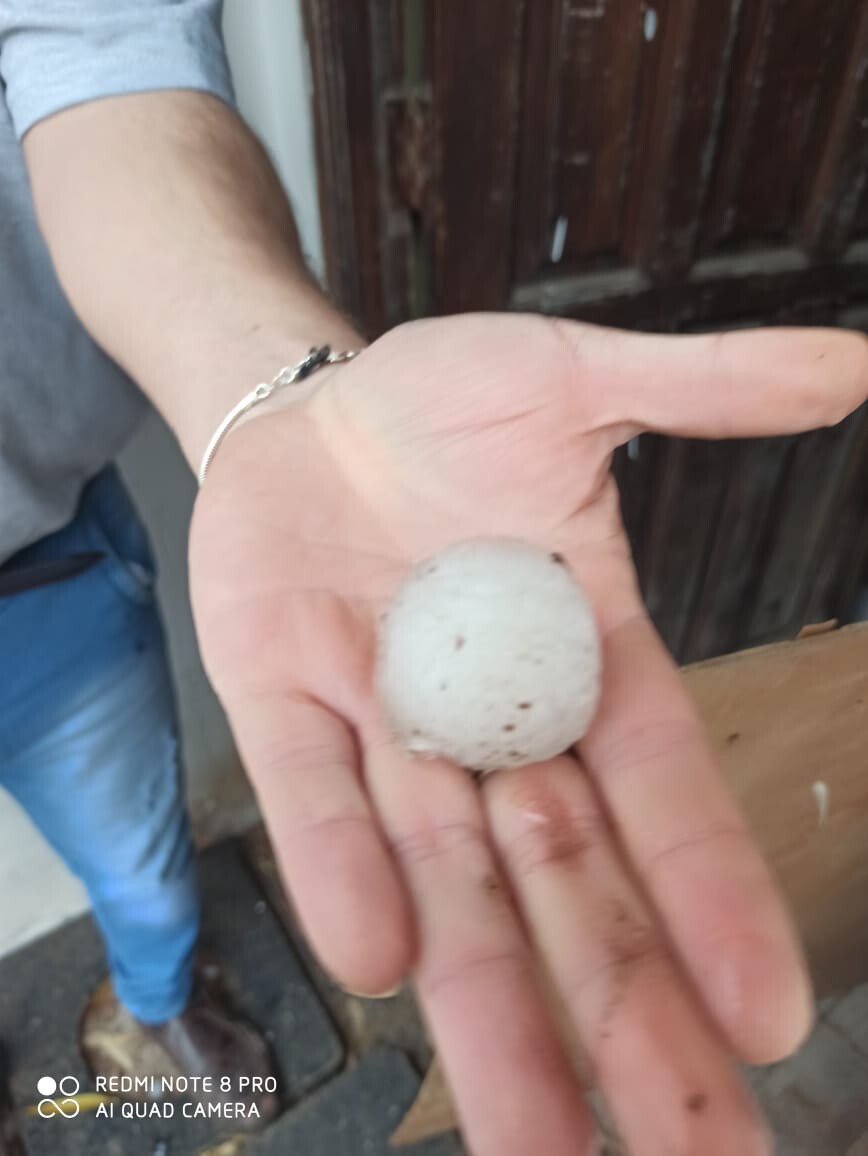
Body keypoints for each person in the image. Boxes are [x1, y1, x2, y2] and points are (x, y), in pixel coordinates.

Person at [0, 2, 865, 1155]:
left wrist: (277, 388)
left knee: (139, 857)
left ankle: (156, 1007)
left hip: (41, 579)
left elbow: (95, 49)